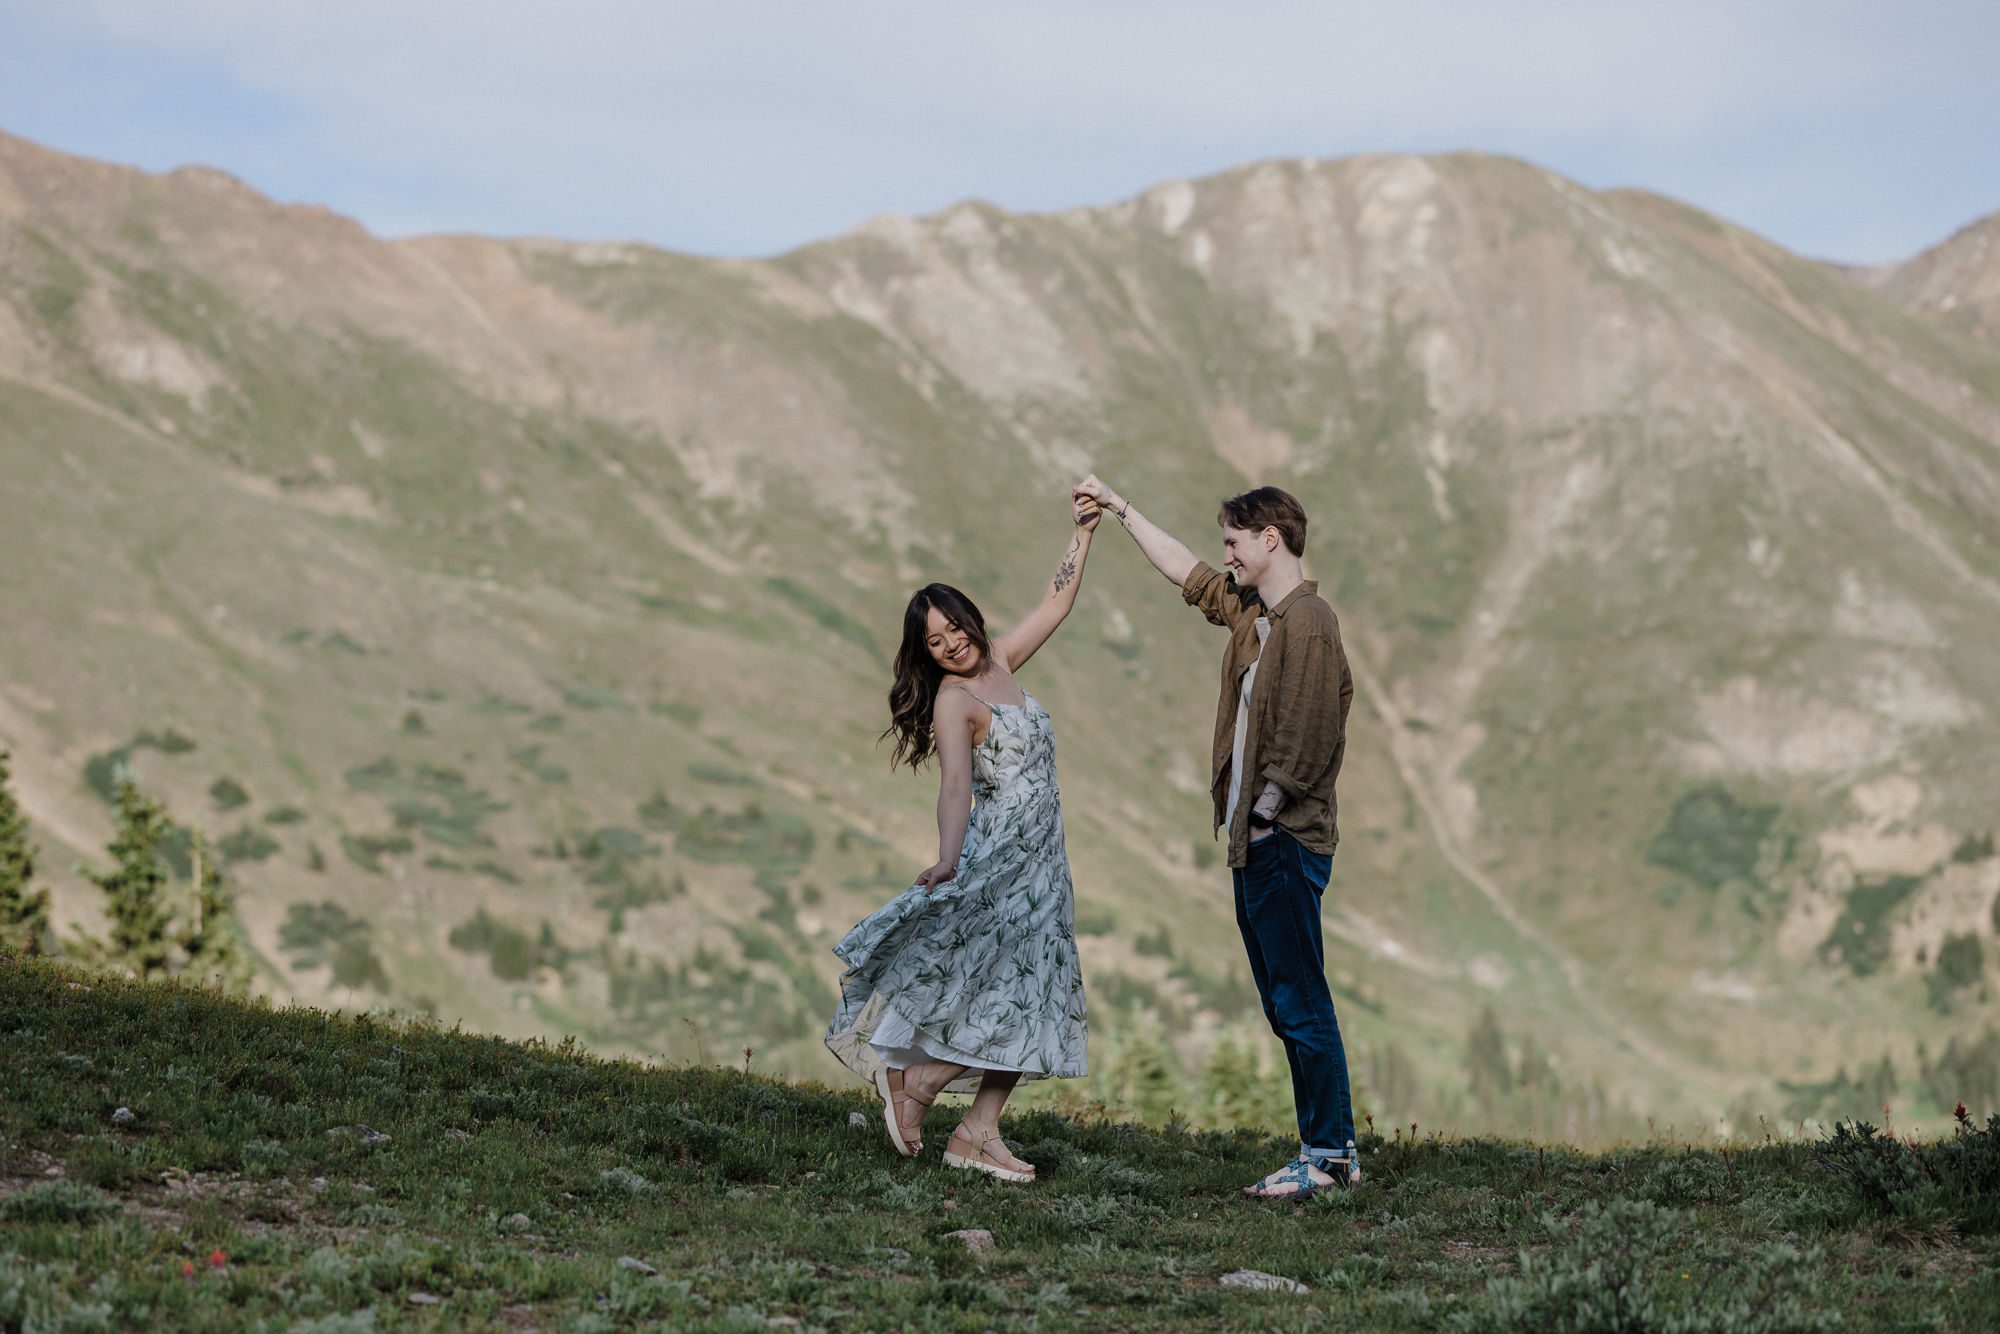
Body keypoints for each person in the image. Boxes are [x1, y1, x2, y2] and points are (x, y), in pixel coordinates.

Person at [1072, 474, 1359, 1199]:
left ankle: (1329, 1156)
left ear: (1271, 539)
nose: (1224, 555)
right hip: (1258, 845)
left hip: (1283, 841)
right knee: (1286, 1000)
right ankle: (1325, 1151)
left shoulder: (1309, 620)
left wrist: (1264, 814)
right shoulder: (1256, 618)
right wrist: (1122, 508)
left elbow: (1309, 733)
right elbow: (1190, 576)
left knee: (1300, 998)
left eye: (1234, 541)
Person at [825, 493, 1102, 1183]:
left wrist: (1082, 533)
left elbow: (1056, 604)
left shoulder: (1003, 660)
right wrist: (949, 857)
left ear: (970, 620)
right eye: (934, 642)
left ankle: (977, 1130)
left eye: (953, 628)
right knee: (1004, 993)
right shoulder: (956, 700)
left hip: (1045, 865)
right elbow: (955, 785)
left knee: (1039, 992)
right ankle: (916, 1084)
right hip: (1002, 863)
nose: (949, 644)